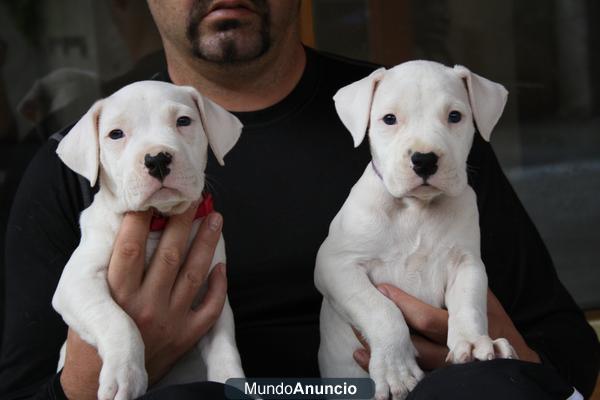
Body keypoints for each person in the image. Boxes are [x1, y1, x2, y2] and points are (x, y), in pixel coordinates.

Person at [1, 1, 598, 399]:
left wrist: (485, 348)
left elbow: (567, 354)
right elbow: (25, 389)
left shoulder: (421, 127)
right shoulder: (79, 164)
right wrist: (117, 348)